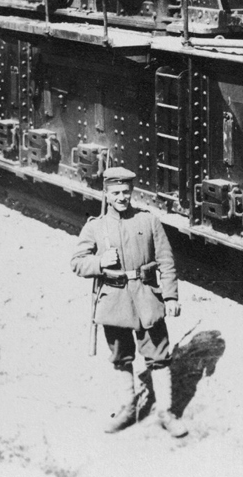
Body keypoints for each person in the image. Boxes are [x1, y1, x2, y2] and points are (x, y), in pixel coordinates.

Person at [71, 166, 187, 437]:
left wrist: (170, 296)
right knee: (121, 357)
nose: (122, 197)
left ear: (132, 192)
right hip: (114, 301)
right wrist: (100, 262)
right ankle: (127, 407)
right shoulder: (95, 227)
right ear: (106, 194)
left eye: (126, 192)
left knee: (159, 356)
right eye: (116, 193)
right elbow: (76, 262)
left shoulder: (149, 221)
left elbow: (166, 261)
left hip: (147, 297)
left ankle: (165, 412)